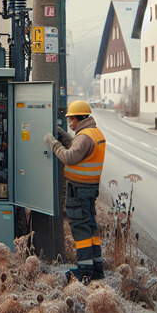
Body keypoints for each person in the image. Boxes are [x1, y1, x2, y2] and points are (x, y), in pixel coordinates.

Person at [44, 100, 106, 283]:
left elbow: (70, 157)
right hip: (89, 188)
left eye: (71, 120)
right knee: (90, 227)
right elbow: (81, 151)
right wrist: (65, 138)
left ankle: (85, 271)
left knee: (80, 230)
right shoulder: (94, 133)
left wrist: (54, 143)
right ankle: (96, 268)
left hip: (79, 190)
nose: (70, 124)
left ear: (80, 118)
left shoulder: (85, 137)